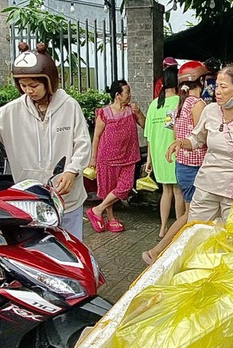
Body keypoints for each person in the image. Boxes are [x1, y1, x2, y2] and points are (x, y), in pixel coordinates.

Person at [0, 42, 91, 238]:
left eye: (34, 85)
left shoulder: (69, 106)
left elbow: (83, 144)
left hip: (67, 200)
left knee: (70, 250)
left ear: (49, 82)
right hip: (31, 202)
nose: (29, 90)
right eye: (23, 85)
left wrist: (72, 171)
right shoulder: (12, 111)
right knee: (40, 255)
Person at [167, 65, 233, 226]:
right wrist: (181, 142)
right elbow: (196, 139)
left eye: (223, 87)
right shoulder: (210, 111)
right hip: (207, 184)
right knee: (195, 231)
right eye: (216, 85)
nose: (217, 91)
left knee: (232, 239)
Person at [142, 60, 208, 265]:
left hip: (180, 163)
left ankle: (173, 245)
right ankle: (158, 251)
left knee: (187, 209)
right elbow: (202, 137)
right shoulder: (197, 105)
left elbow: (171, 130)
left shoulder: (179, 104)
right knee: (189, 215)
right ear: (203, 81)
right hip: (194, 166)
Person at [87, 79, 143, 233]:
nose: (129, 95)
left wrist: (139, 113)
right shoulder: (104, 113)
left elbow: (145, 126)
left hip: (128, 157)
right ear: (118, 95)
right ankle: (111, 218)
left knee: (125, 187)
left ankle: (97, 210)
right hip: (106, 158)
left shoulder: (132, 111)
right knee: (109, 189)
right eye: (127, 92)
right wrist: (93, 158)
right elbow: (97, 136)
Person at [144, 65, 183, 238]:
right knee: (178, 191)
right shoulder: (179, 101)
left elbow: (149, 136)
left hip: (159, 154)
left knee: (166, 191)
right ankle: (180, 227)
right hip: (174, 152)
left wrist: (149, 160)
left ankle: (163, 227)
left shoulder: (154, 104)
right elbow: (178, 130)